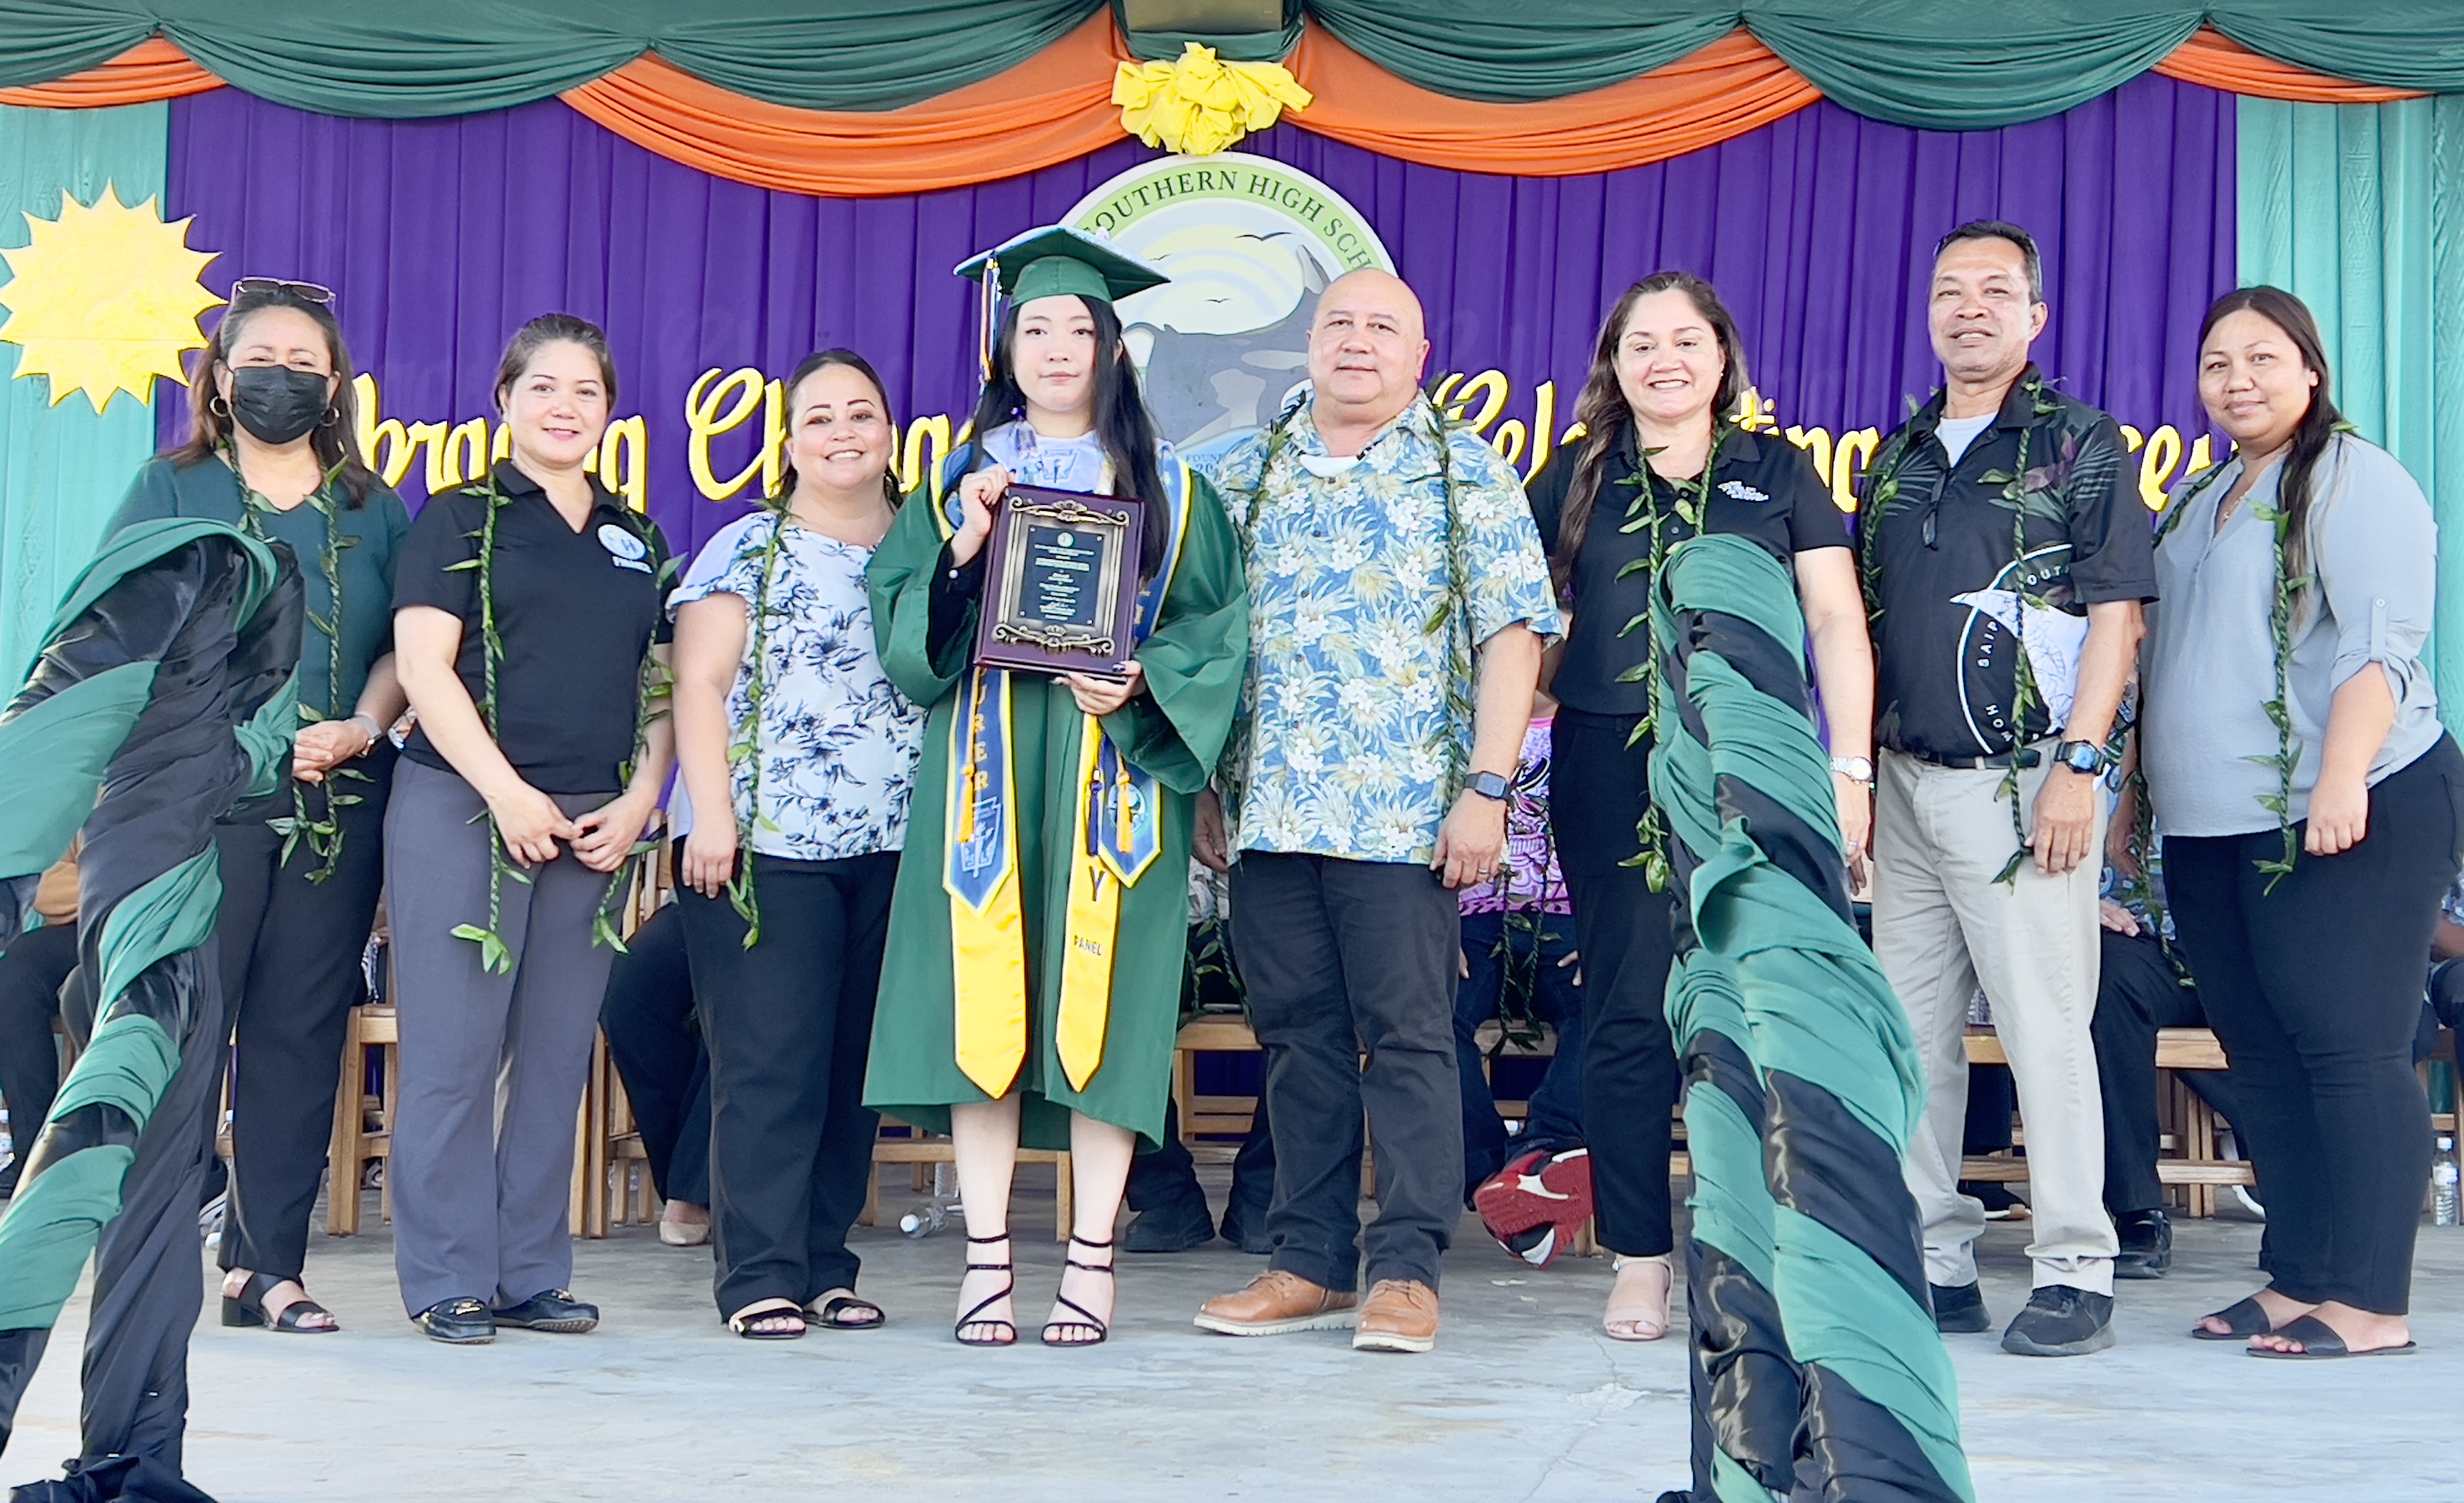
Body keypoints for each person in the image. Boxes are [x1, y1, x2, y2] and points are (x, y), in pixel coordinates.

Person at [865, 227, 1248, 1348]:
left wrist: (1138, 680)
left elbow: (1214, 635)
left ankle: (1091, 1261)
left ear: (1114, 348)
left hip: (1110, 774)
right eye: (1034, 327)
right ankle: (986, 1259)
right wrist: (961, 548)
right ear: (1005, 345)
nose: (1055, 346)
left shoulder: (1174, 487)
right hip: (983, 773)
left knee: (1103, 1011)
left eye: (1078, 328)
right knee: (978, 1000)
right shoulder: (958, 477)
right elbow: (902, 623)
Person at [1191, 267, 1560, 1355]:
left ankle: (1404, 1265)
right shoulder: (1239, 474)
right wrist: (1209, 781)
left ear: (1419, 352)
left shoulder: (1464, 476)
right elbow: (1196, 639)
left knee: (1406, 1041)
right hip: (1268, 811)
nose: (1356, 341)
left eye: (1381, 326)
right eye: (1338, 323)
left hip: (1404, 817)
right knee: (1297, 1040)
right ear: (1309, 342)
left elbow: (1511, 638)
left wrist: (1485, 788)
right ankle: (1305, 1260)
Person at [1517, 270, 1873, 1342]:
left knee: (1753, 1013)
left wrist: (1846, 774)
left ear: (1722, 357)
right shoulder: (1573, 476)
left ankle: (1758, 1248)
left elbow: (1836, 625)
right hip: (1605, 775)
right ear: (1612, 364)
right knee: (1629, 1016)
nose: (1663, 359)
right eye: (1639, 343)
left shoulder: (1778, 471)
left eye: (1685, 340)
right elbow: (1519, 632)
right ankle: (1640, 1256)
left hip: (1754, 780)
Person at [2140, 286, 2463, 1359]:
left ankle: (2371, 1301)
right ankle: (2298, 1276)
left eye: (2262, 360)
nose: (2238, 381)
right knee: (2262, 1057)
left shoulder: (2351, 478)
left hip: (2344, 803)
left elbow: (2379, 643)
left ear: (2309, 371)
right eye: (2217, 363)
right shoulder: (2200, 502)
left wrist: (2341, 779)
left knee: (2349, 1049)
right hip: (2212, 825)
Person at [1859, 221, 2151, 1358]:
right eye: (1947, 291)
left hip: (2025, 786)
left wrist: (2079, 767)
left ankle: (2074, 1262)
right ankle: (1933, 1256)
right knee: (1910, 1037)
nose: (1967, 308)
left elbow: (2116, 617)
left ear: (2034, 315)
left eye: (1993, 291)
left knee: (2043, 1030)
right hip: (1902, 783)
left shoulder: (2078, 444)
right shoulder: (1898, 452)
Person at [107, 278, 411, 1336]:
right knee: (191, 1027)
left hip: (339, 797)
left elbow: (400, 653)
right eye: (262, 359)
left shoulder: (374, 509)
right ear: (222, 379)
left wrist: (361, 727)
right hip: (198, 802)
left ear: (334, 388)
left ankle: (265, 1267)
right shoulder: (169, 486)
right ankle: (150, 1259)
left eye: (305, 363)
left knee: (299, 1030)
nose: (282, 377)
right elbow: (117, 636)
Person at [388, 314, 674, 1344]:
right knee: (454, 1056)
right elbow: (424, 670)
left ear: (610, 409)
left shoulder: (635, 537)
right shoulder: (458, 518)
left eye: (585, 392)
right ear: (504, 400)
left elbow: (660, 684)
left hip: (590, 830)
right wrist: (507, 793)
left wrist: (644, 799)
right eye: (543, 388)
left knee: (555, 1057)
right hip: (465, 811)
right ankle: (446, 1279)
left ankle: (528, 1272)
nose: (565, 408)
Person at [670, 349, 925, 1338]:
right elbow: (697, 686)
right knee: (769, 1063)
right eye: (818, 418)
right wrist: (714, 814)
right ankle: (759, 1276)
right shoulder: (748, 548)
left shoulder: (924, 552)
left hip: (894, 844)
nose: (842, 432)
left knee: (853, 1067)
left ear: (892, 433)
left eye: (861, 413)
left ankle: (826, 1264)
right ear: (789, 442)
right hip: (766, 845)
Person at [1457, 689, 1588, 1268]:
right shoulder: (1462, 715)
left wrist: (1610, 933)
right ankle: (1492, 1175)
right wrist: (1431, 931)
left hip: (1565, 918)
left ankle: (1545, 1152)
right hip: (1470, 916)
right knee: (1426, 1015)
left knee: (1606, 1008)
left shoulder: (1590, 723)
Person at [597, 897, 712, 1245]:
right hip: (700, 894)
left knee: (735, 1012)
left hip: (789, 880)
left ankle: (696, 1189)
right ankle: (695, 1176)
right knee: (629, 995)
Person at [0, 853, 78, 1200]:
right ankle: (36, 1152)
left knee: (92, 997)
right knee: (13, 980)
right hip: (77, 926)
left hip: (154, 920)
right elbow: (49, 891)